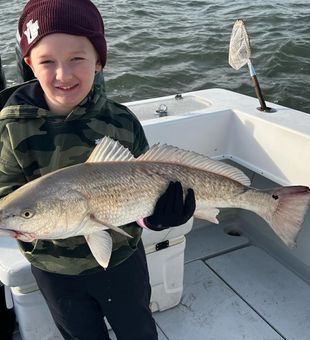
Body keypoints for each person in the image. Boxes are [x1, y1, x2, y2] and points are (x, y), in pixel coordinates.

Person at [0, 1, 195, 339]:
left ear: (99, 60)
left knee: (138, 329)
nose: (64, 74)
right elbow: (7, 194)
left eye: (77, 58)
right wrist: (21, 219)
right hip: (53, 268)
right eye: (47, 61)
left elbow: (147, 186)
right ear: (30, 64)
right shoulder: (11, 129)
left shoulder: (121, 121)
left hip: (122, 259)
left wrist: (156, 218)